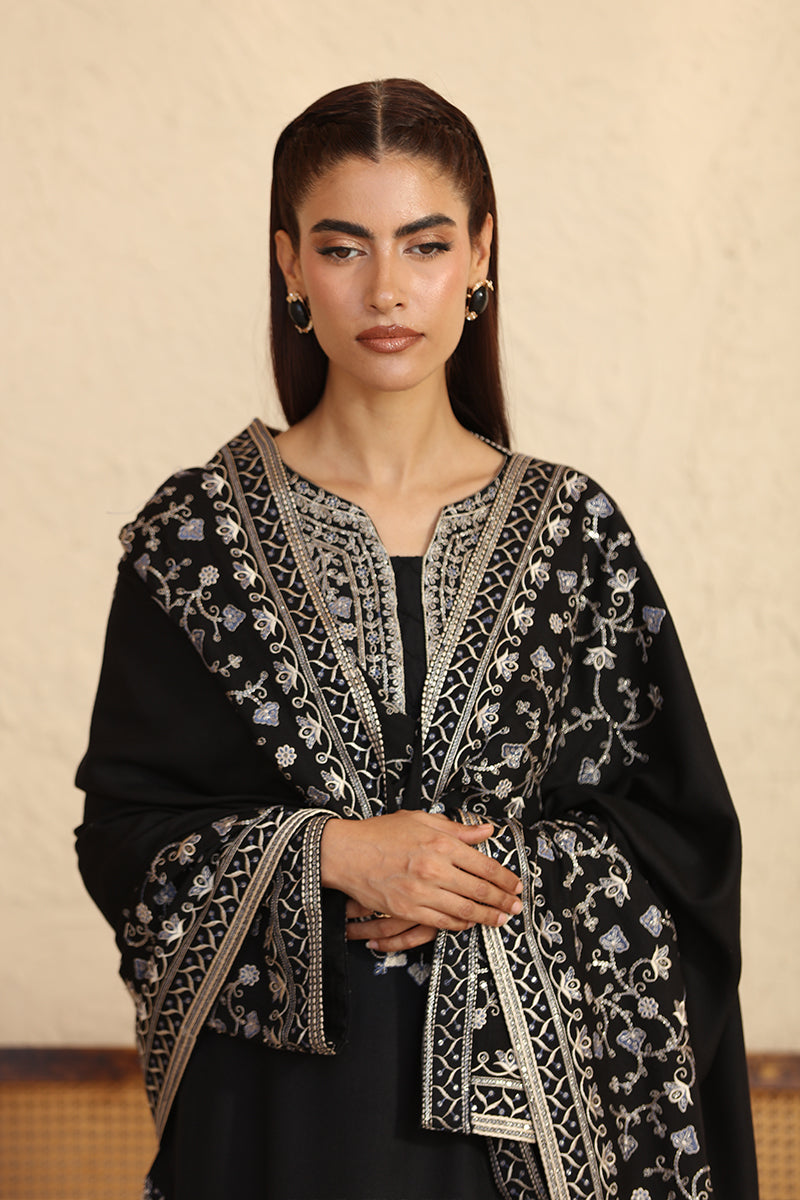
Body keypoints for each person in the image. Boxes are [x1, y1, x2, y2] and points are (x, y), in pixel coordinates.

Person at [76, 78, 759, 1199]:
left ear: (480, 256)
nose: (387, 290)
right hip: (281, 1123)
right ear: (288, 263)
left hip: (532, 1143)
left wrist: (478, 869)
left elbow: (681, 846)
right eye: (343, 249)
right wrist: (328, 856)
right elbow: (124, 838)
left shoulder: (573, 537)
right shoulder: (193, 541)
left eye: (425, 244)